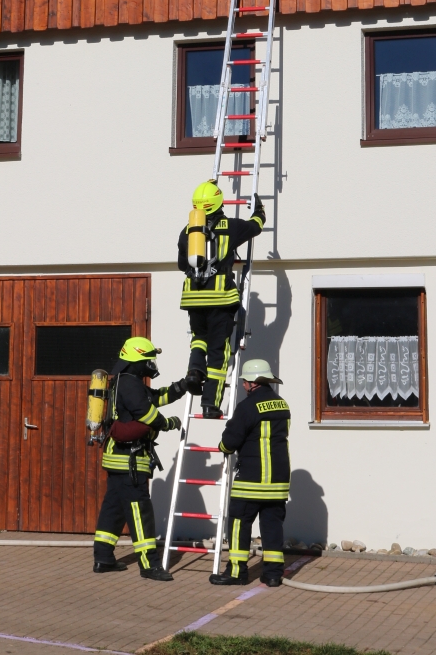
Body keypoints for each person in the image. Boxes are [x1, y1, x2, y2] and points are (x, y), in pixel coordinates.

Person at [93, 335, 186, 580]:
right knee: (140, 511)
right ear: (137, 360)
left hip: (118, 458)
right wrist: (169, 423)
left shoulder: (125, 381)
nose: (151, 364)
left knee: (114, 509)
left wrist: (182, 386)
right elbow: (147, 414)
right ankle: (149, 565)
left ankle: (103, 558)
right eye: (148, 360)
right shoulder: (130, 384)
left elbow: (155, 397)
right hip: (130, 460)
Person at [178, 181, 265, 419]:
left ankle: (195, 371)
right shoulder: (231, 227)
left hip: (193, 299)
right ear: (218, 202)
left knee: (199, 339)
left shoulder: (187, 231)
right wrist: (259, 211)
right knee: (218, 351)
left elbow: (182, 265)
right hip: (220, 299)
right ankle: (210, 404)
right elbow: (255, 226)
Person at [209, 358, 291, 588]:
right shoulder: (282, 404)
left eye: (245, 382)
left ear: (252, 383)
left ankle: (237, 572)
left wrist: (222, 447)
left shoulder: (247, 406)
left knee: (239, 523)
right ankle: (273, 574)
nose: (244, 385)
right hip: (278, 480)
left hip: (252, 480)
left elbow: (229, 442)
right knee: (272, 526)